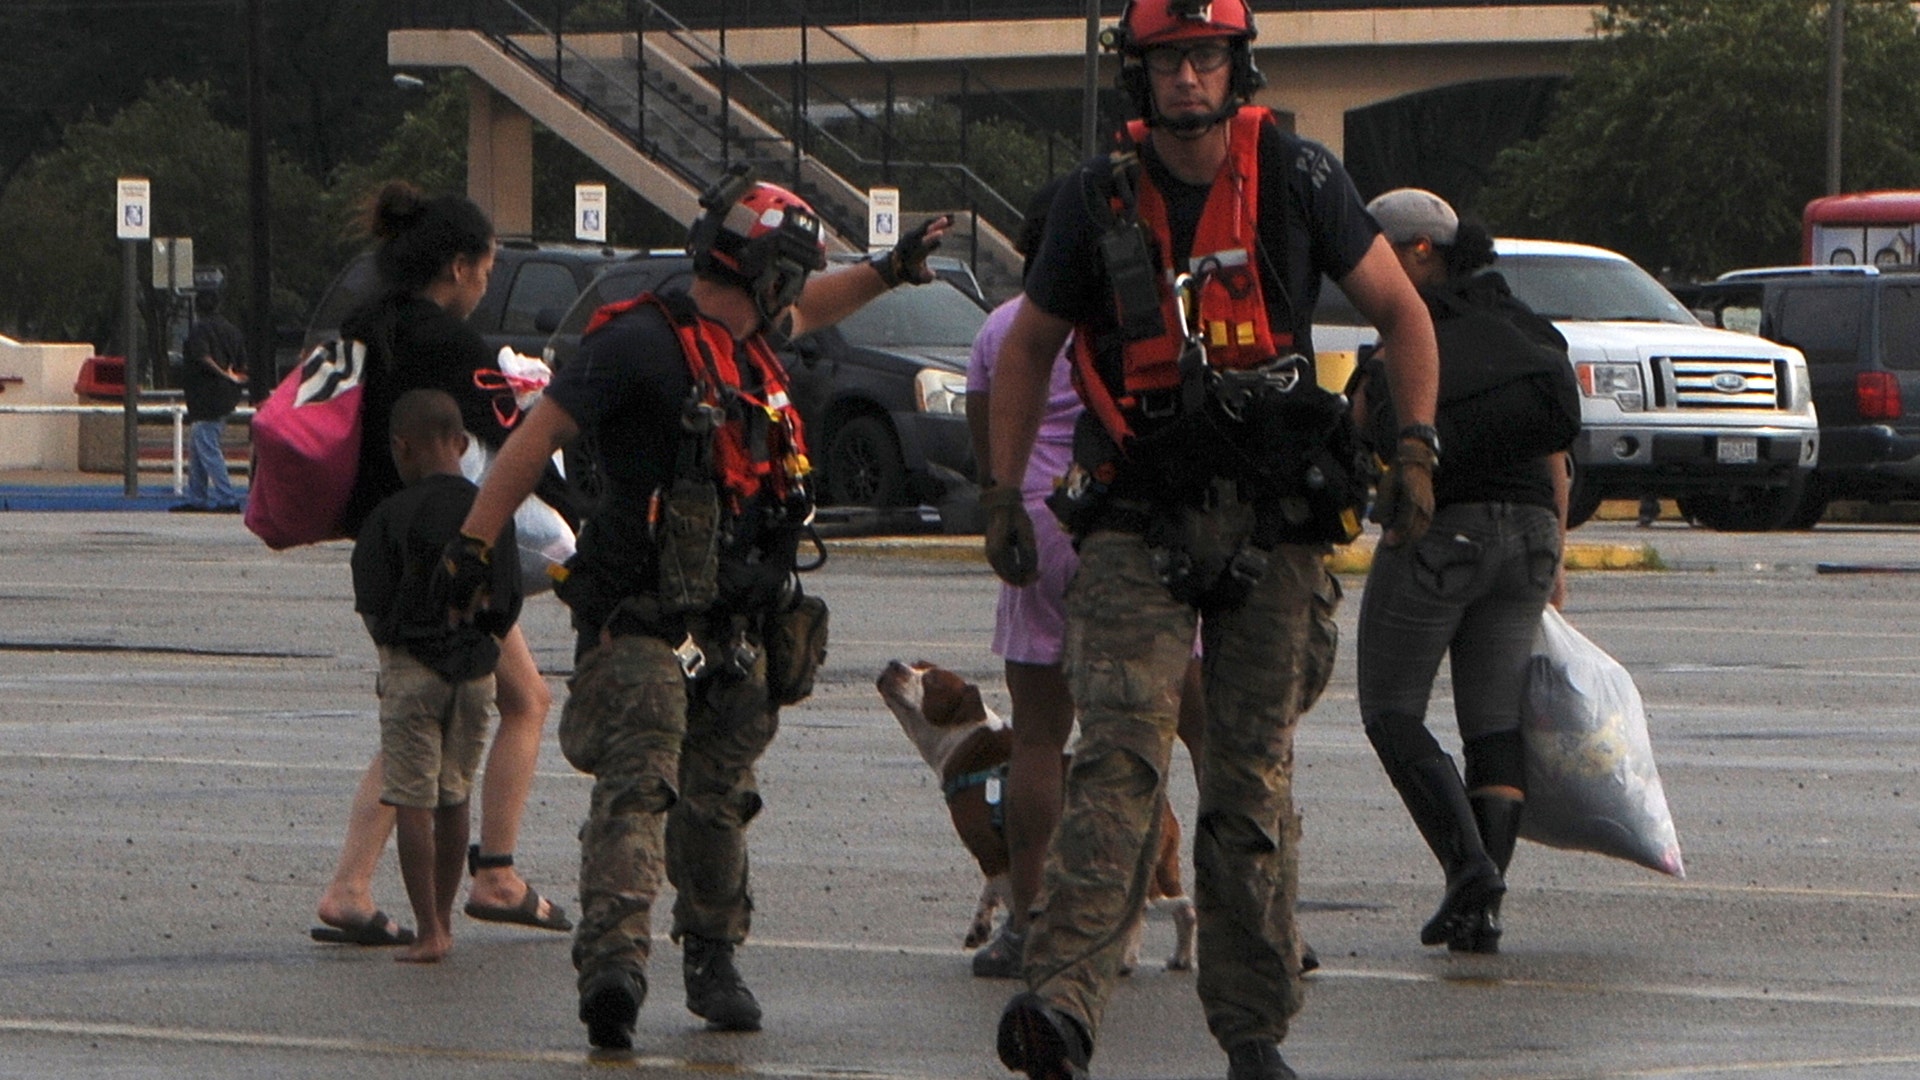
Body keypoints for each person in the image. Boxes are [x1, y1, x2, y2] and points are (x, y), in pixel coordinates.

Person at [979, 1, 1441, 1076]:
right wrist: (1004, 494)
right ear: (1137, 77)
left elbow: (1403, 314)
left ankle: (1252, 1030)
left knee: (1248, 784)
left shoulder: (1303, 178)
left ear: (1238, 65)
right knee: (1119, 762)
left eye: (1206, 57)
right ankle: (1062, 1005)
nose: (1189, 78)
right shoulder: (1095, 200)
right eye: (1169, 61)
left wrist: (1413, 444)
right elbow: (1031, 345)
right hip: (1137, 515)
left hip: (1273, 523)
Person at [436, 168, 951, 1051]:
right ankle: (615, 972)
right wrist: (473, 549)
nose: (795, 293)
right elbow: (537, 436)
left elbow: (820, 308)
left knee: (717, 803)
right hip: (641, 618)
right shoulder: (639, 344)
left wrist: (892, 268)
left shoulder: (752, 339)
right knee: (640, 789)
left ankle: (711, 958)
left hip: (738, 626)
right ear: (767, 272)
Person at [312, 182, 569, 949]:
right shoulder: (454, 347)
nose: (486, 284)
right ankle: (459, 880)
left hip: (383, 547)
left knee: (507, 695)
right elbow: (523, 446)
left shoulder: (360, 326)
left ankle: (436, 879)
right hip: (450, 553)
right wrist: (581, 513)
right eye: (486, 269)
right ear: (458, 267)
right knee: (442, 715)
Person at [964, 179, 1208, 980]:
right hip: (1131, 521)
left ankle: (1032, 918)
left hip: (1037, 520)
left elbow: (986, 442)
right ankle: (1245, 909)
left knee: (1038, 736)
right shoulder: (1137, 320)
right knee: (1199, 732)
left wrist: (1004, 508)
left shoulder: (1003, 328)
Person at [1350, 188, 1576, 956]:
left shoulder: (1411, 333)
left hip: (1447, 533)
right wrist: (1558, 556)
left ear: (1419, 252)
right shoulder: (1517, 321)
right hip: (1534, 536)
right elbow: (1556, 450)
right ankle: (1481, 910)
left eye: (1377, 253)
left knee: (1389, 707)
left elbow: (1365, 432)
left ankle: (1468, 867)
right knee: (1493, 723)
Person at [351, 388, 524, 963]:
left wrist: (398, 646)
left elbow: (372, 598)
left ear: (402, 448)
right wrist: (484, 643)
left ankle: (428, 929)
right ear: (461, 442)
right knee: (455, 797)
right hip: (475, 673)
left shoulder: (389, 516)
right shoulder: (487, 511)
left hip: (411, 668)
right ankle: (446, 918)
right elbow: (510, 595)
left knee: (412, 800)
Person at [172, 290, 248, 513]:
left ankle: (227, 498)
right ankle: (197, 496)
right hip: (225, 397)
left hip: (205, 398)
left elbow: (203, 357)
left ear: (198, 308)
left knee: (207, 448)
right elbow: (243, 366)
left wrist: (222, 373)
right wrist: (233, 379)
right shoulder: (232, 331)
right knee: (198, 447)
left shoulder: (199, 330)